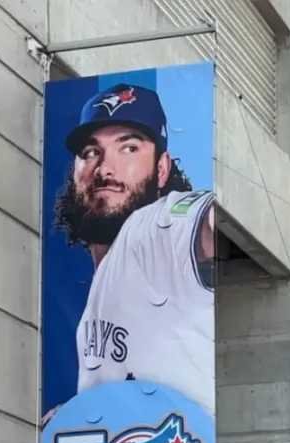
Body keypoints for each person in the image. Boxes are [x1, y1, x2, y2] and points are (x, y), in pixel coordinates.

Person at [49, 82, 217, 419]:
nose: (105, 168)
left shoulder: (157, 225)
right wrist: (77, 414)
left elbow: (206, 219)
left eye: (128, 149)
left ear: (161, 169)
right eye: (91, 152)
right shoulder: (101, 291)